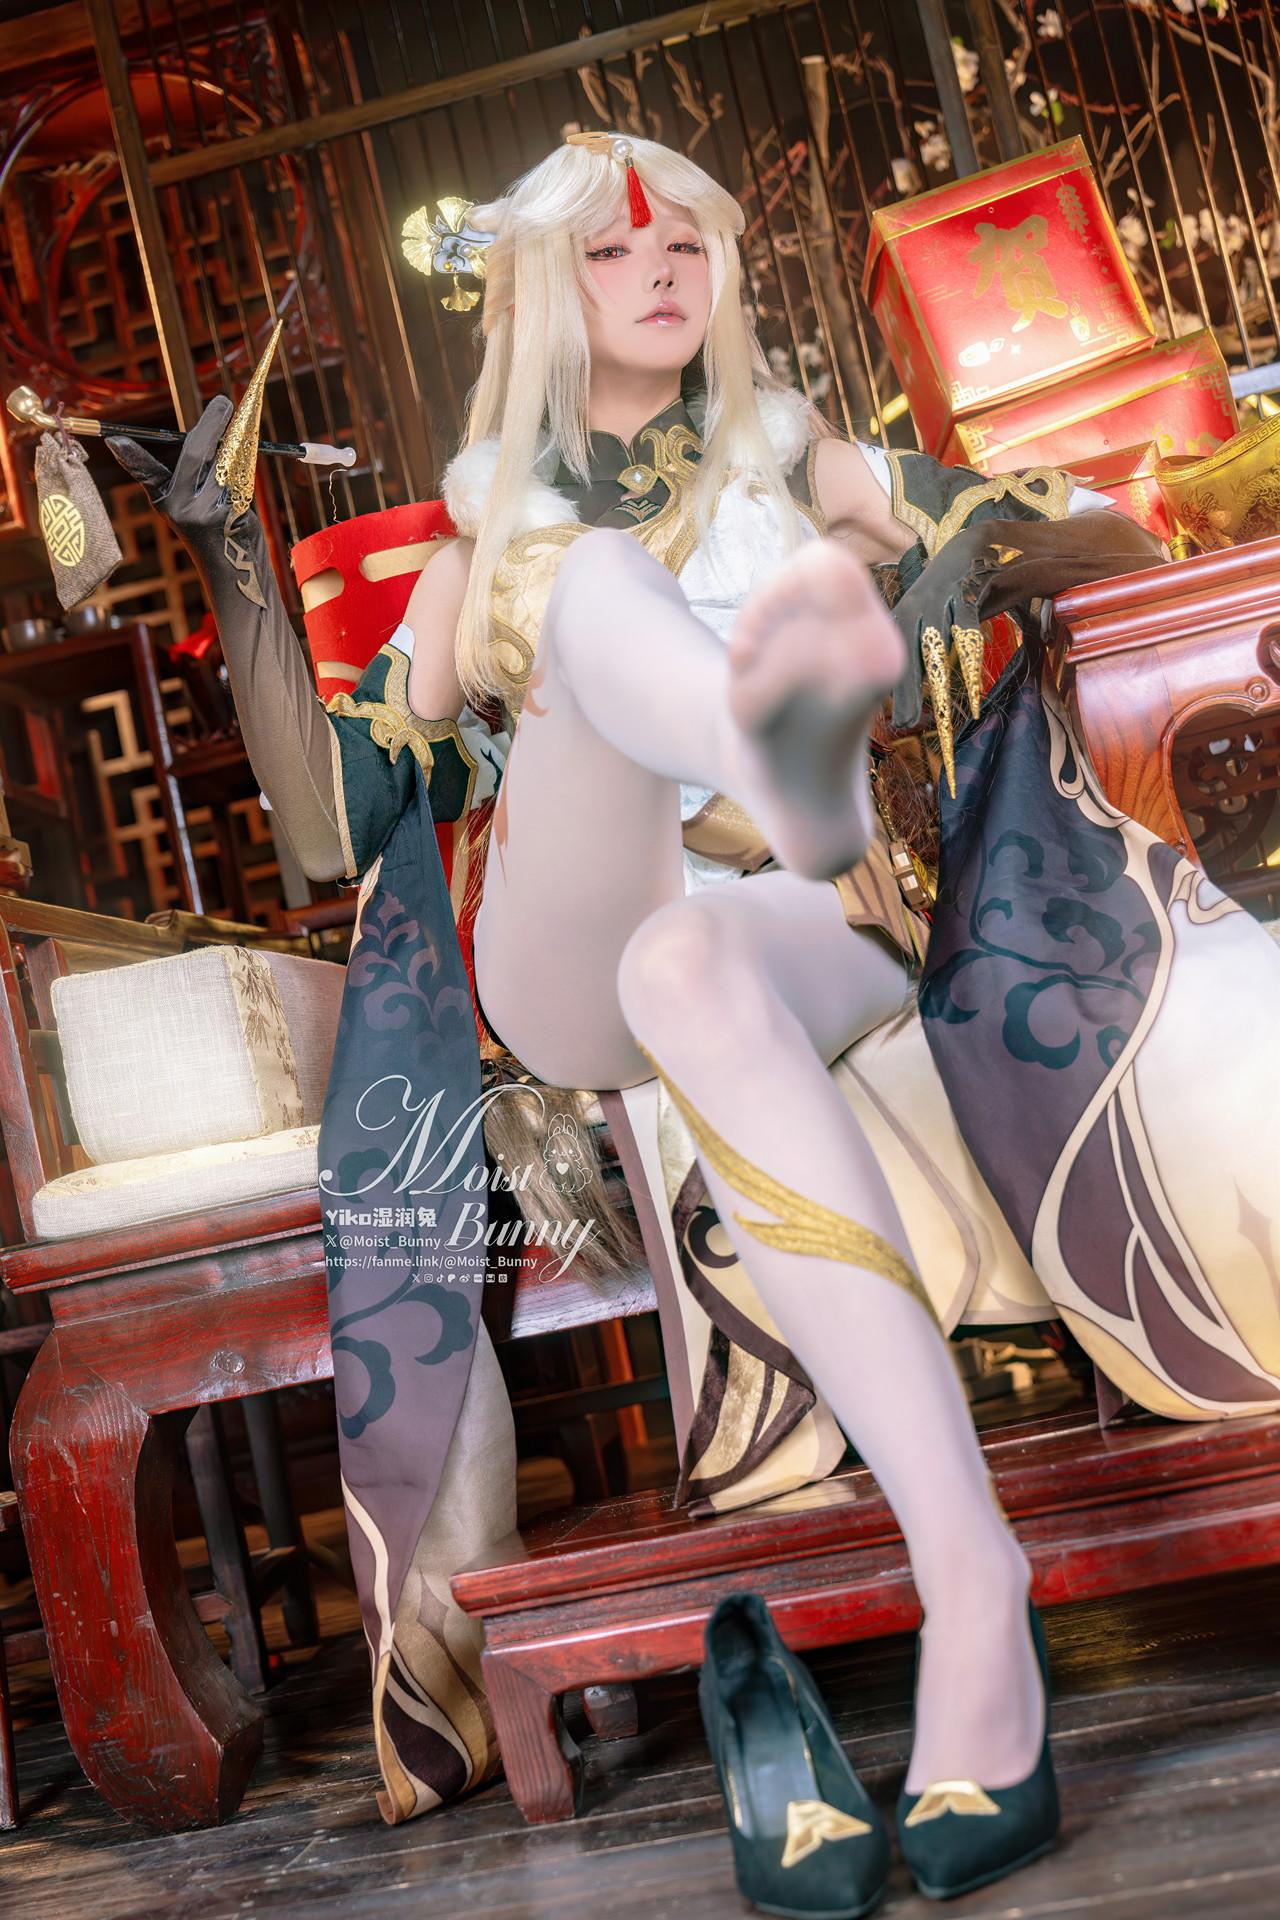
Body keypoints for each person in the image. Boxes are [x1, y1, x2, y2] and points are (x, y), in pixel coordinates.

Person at [107, 132, 1280, 1898]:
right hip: (570, 940)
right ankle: (756, 739)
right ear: (537, 289)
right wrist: (230, 562)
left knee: (691, 966)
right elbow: (339, 817)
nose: (658, 273)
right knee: (581, 588)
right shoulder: (482, 534)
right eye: (609, 250)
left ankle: (973, 1585)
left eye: (685, 245)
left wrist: (1012, 542)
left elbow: (1077, 529)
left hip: (792, 927)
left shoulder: (792, 458)